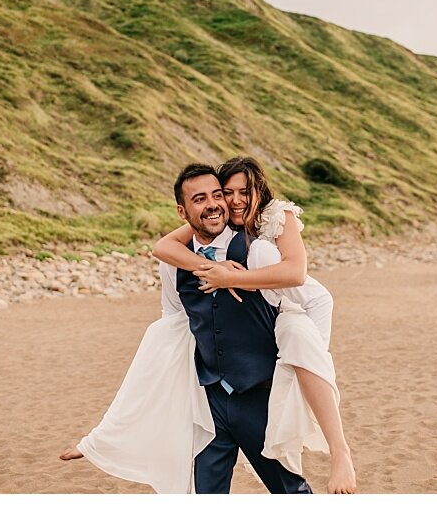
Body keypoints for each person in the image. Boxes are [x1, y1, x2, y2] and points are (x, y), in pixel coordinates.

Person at [59, 162, 331, 493]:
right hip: (208, 404)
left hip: (257, 398)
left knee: (289, 490)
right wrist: (102, 436)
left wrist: (311, 365)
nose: (215, 204)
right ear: (182, 210)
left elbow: (313, 296)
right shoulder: (173, 265)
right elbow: (172, 328)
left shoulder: (258, 250)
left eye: (218, 195)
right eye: (200, 199)